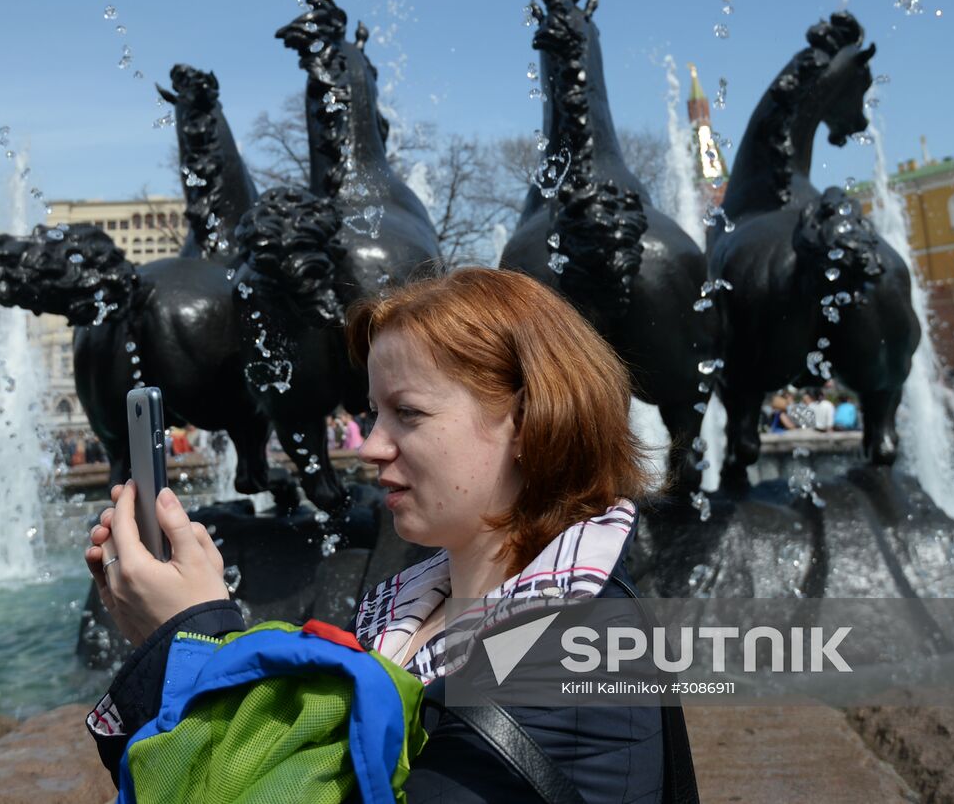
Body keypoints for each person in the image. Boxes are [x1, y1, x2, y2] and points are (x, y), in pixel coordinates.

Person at [83, 267, 694, 802]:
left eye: (408, 413)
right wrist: (166, 638)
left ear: (532, 426)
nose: (371, 446)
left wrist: (189, 640)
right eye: (374, 413)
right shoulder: (411, 612)